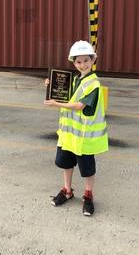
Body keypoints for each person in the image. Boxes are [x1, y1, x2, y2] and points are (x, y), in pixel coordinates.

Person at [44, 40, 108, 216]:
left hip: (85, 137)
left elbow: (80, 106)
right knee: (67, 164)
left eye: (86, 60)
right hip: (69, 135)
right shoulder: (75, 80)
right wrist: (51, 86)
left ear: (93, 60)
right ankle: (67, 190)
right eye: (78, 62)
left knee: (87, 169)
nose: (82, 64)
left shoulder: (93, 84)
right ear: (74, 63)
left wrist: (57, 103)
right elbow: (64, 90)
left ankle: (88, 196)